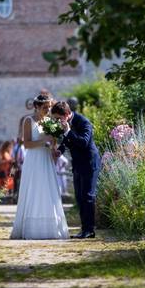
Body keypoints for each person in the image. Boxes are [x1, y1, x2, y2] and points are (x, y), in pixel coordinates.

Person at [10, 94, 69, 239]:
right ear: (36, 107)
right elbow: (27, 144)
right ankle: (31, 228)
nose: (48, 110)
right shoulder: (28, 121)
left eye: (49, 107)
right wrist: (44, 141)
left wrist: (54, 148)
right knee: (34, 189)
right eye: (45, 107)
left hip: (46, 159)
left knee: (47, 190)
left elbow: (53, 142)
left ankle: (50, 227)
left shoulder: (50, 121)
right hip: (34, 159)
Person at [51, 100, 101, 239]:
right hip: (78, 163)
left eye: (58, 118)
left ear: (67, 114)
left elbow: (83, 142)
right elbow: (67, 141)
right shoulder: (64, 123)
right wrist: (60, 151)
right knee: (79, 197)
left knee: (88, 196)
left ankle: (89, 230)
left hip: (90, 162)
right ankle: (84, 229)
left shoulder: (84, 122)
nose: (56, 121)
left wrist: (67, 130)